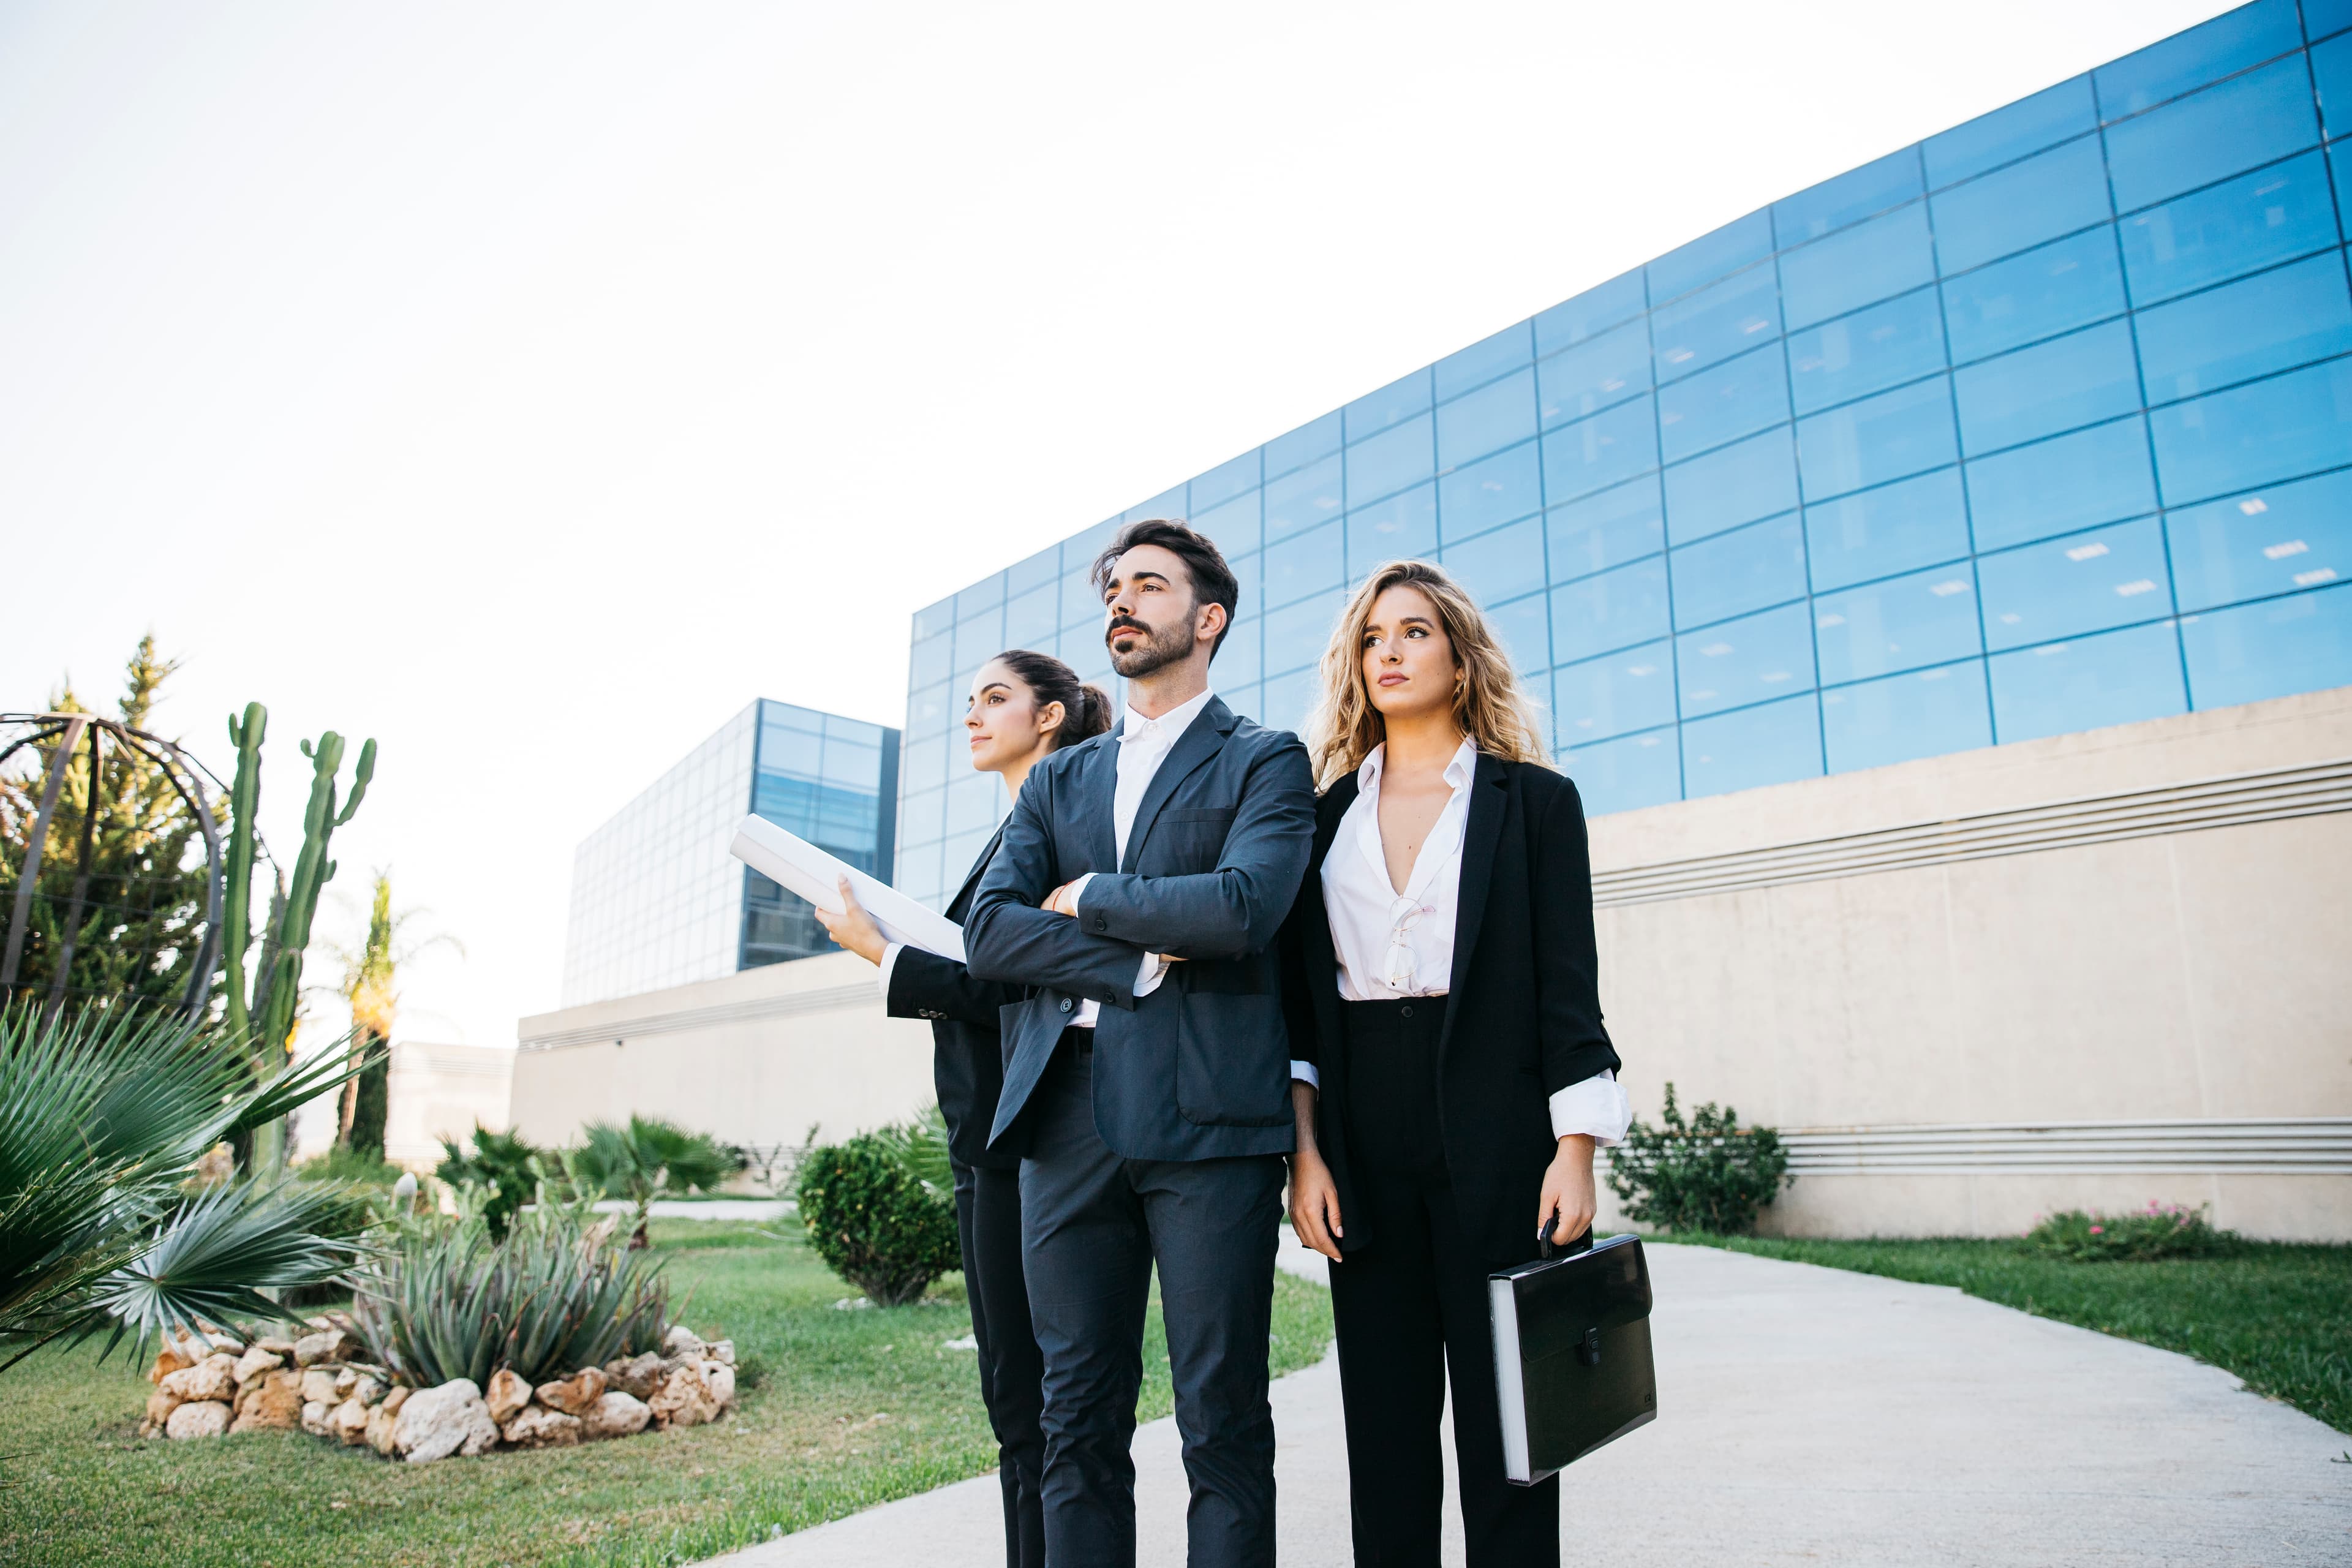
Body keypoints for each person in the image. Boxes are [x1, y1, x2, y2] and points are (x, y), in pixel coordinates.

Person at [963, 518, 1316, 1568]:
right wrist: (1134, 960)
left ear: (1207, 619)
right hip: (1064, 1122)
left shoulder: (1265, 759)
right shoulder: (1060, 780)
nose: (1123, 601)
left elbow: (1246, 908)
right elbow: (989, 931)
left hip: (1209, 1119)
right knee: (1076, 1420)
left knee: (1220, 1422)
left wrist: (1094, 899)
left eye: (1149, 586)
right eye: (1116, 587)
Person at [1278, 558, 1629, 1567]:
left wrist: (1575, 1149)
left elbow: (1568, 991)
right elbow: (1299, 1013)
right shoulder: (1317, 817)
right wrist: (1306, 1156)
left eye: (1415, 632)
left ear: (1461, 655)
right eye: (1373, 639)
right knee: (1384, 1435)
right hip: (1359, 1128)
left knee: (1515, 1433)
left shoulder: (1537, 806)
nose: (1389, 653)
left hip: (1501, 1123)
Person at [814, 648, 1112, 1568]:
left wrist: (886, 958)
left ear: (1051, 716)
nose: (974, 718)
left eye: (995, 699)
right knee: (1011, 1402)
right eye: (970, 702)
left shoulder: (1072, 829)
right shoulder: (1013, 833)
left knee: (1043, 1402)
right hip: (980, 1143)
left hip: (1033, 1142)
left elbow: (1022, 983)